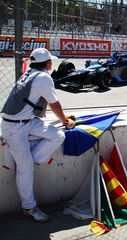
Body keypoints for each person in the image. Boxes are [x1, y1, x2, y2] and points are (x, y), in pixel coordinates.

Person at [1, 48, 75, 222]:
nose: (52, 64)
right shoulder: (43, 77)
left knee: (58, 136)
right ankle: (29, 207)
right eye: (51, 61)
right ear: (47, 63)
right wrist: (64, 120)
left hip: (25, 121)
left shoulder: (30, 73)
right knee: (25, 169)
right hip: (14, 129)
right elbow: (54, 104)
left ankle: (31, 160)